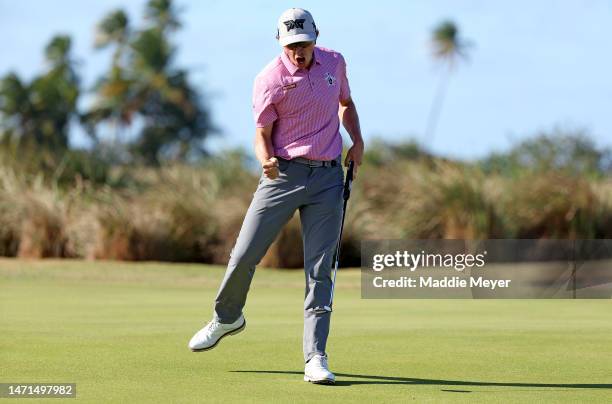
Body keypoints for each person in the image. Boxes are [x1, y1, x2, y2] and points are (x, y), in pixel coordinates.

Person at [188, 7, 364, 385]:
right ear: (279, 42)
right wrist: (264, 160)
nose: (298, 52)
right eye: (291, 46)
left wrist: (358, 141)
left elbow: (346, 104)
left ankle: (315, 356)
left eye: (303, 43)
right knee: (244, 255)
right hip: (282, 175)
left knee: (320, 273)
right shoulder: (269, 79)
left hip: (329, 178)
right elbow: (261, 134)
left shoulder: (335, 62)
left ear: (316, 36)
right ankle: (227, 317)